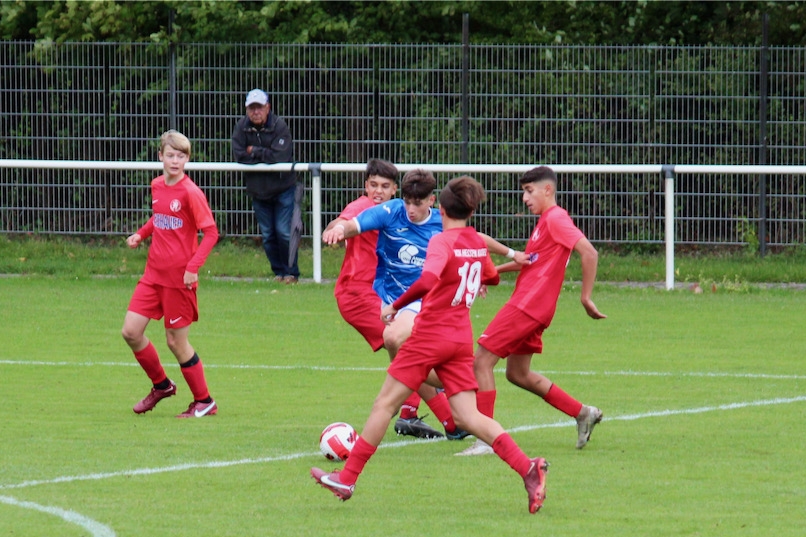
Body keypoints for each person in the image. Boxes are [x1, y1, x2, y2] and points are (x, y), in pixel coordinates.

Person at [311, 176, 549, 514]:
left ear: (440, 209)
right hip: (459, 338)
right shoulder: (474, 241)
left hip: (430, 336)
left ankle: (347, 479)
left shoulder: (440, 241)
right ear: (469, 211)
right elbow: (492, 277)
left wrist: (395, 306)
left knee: (384, 404)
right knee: (469, 416)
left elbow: (427, 279)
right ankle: (528, 468)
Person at [324, 168, 528, 441]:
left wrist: (511, 254)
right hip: (390, 296)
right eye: (407, 202)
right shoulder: (391, 211)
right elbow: (355, 224)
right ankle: (452, 387)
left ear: (432, 201)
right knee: (419, 363)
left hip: (421, 300)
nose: (410, 209)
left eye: (417, 203)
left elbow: (476, 240)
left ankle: (413, 397)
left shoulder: (441, 224)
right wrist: (340, 229)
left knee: (393, 338)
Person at [459, 165, 606, 456]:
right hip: (535, 307)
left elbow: (589, 252)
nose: (525, 198)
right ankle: (582, 413)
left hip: (528, 305)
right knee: (518, 373)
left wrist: (586, 297)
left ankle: (486, 439)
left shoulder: (556, 218)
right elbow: (529, 261)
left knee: (482, 361)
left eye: (529, 191)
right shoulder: (545, 222)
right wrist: (490, 274)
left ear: (547, 190)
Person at [328, 159, 431, 438]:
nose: (378, 191)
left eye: (385, 186)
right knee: (411, 347)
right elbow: (344, 220)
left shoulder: (400, 212)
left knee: (412, 346)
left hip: (384, 296)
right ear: (365, 186)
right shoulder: (363, 206)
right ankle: (448, 412)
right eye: (373, 185)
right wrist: (335, 229)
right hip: (358, 295)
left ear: (395, 189)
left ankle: (412, 412)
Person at [124, 129, 220, 419]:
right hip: (153, 275)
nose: (175, 161)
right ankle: (162, 385)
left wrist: (193, 268)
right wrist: (141, 234)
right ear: (161, 157)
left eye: (181, 156)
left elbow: (211, 233)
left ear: (187, 159)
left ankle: (204, 401)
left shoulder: (191, 192)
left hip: (179, 280)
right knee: (131, 332)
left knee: (175, 341)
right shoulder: (157, 185)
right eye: (170, 155)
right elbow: (161, 216)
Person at [231, 88, 301, 283]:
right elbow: (240, 156)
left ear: (268, 107)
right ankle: (279, 272)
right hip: (258, 192)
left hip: (283, 188)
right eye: (252, 108)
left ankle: (291, 273)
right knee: (268, 235)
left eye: (259, 107)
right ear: (246, 110)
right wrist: (264, 154)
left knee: (284, 232)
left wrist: (254, 151)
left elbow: (280, 157)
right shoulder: (241, 128)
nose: (256, 112)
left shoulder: (279, 126)